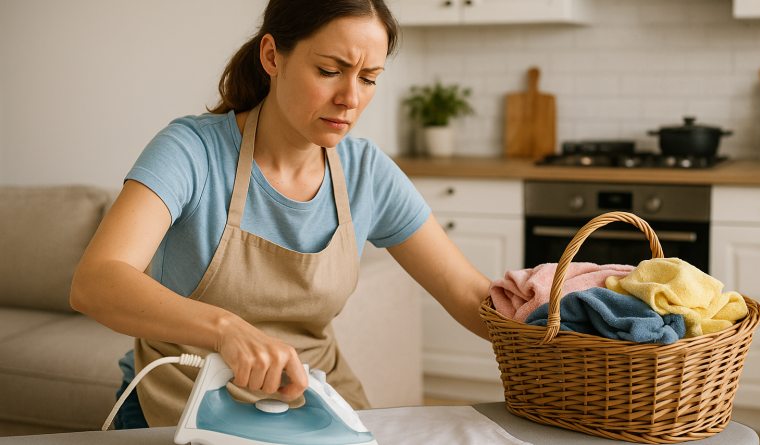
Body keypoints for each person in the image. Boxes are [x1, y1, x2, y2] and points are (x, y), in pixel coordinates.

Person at [70, 0, 491, 429]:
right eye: (329, 70)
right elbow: (95, 281)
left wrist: (534, 312)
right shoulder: (191, 152)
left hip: (319, 403)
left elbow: (466, 292)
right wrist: (226, 330)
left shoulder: (367, 173)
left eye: (368, 78)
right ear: (272, 56)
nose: (350, 99)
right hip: (179, 402)